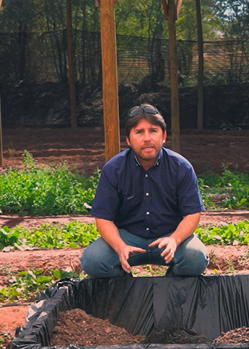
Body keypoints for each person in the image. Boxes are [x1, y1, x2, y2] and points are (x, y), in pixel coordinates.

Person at [80, 103, 208, 278]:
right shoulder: (113, 169)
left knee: (195, 257)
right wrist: (119, 246)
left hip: (169, 238)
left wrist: (175, 239)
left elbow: (192, 213)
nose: (147, 138)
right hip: (128, 238)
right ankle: (127, 290)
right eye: (139, 132)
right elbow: (103, 218)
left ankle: (171, 288)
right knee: (93, 260)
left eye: (153, 131)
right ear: (128, 140)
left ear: (163, 136)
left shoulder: (181, 167)